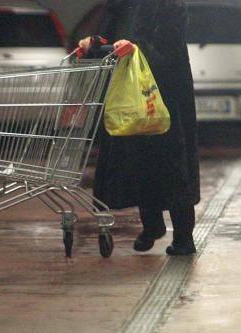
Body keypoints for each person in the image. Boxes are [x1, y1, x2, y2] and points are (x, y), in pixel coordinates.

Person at [79, 0, 200, 256]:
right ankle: (152, 225)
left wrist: (136, 48)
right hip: (128, 95)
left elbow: (170, 45)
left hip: (165, 93)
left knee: (172, 164)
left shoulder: (169, 4)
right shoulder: (122, 5)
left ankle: (183, 237)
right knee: (137, 159)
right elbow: (109, 36)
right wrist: (95, 43)